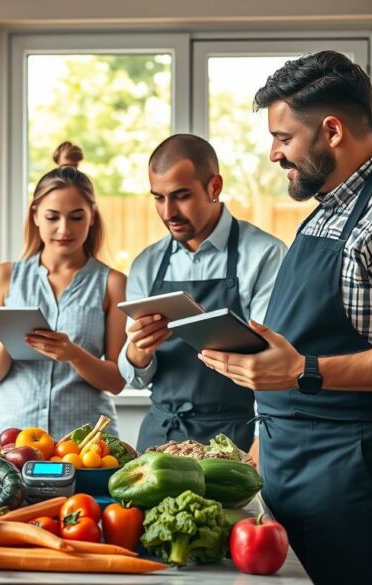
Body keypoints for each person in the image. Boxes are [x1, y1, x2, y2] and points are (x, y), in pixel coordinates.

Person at [198, 51, 372, 585]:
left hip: (349, 466)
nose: (274, 153)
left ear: (332, 130)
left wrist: (304, 372)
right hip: (289, 458)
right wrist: (263, 439)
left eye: (283, 137)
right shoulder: (331, 208)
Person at [119, 134, 286, 453]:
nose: (168, 212)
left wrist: (262, 440)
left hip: (235, 440)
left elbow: (275, 363)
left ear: (214, 187)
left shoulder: (265, 255)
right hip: (160, 440)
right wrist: (138, 352)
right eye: (158, 197)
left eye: (181, 196)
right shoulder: (146, 264)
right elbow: (135, 379)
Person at [0, 142, 127, 440]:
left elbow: (117, 381)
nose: (64, 229)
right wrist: (14, 337)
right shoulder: (5, 277)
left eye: (76, 217)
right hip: (10, 438)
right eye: (52, 217)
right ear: (35, 216)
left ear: (92, 216)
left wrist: (73, 354)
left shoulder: (112, 282)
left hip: (84, 443)